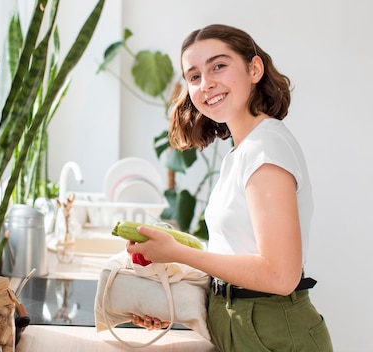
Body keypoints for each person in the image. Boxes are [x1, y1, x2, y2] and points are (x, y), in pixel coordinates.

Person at [125, 24, 333, 351]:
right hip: (240, 323)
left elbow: (280, 275)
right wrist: (170, 302)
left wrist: (177, 253)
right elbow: (235, 254)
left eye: (218, 66)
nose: (206, 84)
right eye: (194, 76)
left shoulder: (266, 150)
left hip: (270, 331)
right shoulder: (243, 150)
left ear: (254, 69)